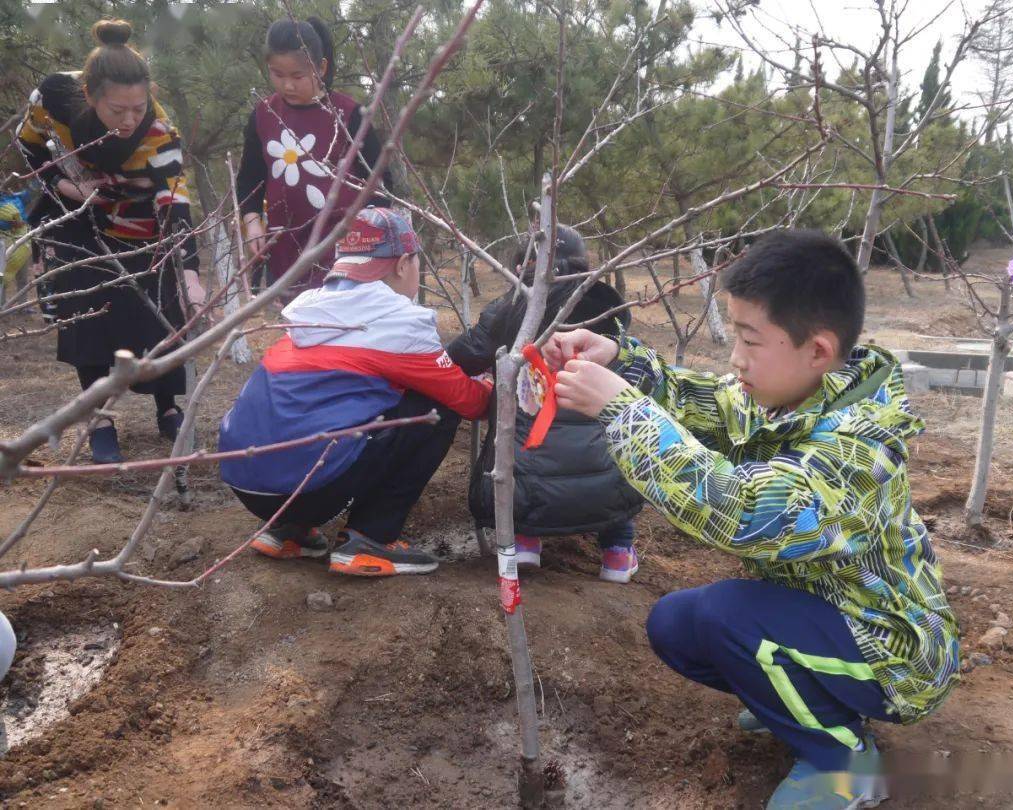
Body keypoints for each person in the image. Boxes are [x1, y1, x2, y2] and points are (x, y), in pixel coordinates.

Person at [547, 230, 959, 809]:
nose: (735, 358)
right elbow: (706, 402)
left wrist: (622, 409)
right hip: (821, 616)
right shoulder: (784, 393)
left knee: (727, 614)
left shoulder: (859, 446)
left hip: (892, 652)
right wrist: (624, 362)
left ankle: (842, 763)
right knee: (676, 624)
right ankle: (803, 705)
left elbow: (746, 514)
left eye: (749, 339)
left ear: (816, 349)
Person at [218, 207, 491, 577]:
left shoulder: (309, 311)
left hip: (245, 484)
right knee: (435, 409)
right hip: (309, 490)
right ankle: (372, 538)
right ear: (403, 263)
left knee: (316, 410)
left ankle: (289, 533)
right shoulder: (400, 323)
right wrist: (490, 383)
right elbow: (469, 402)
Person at [16, 19, 204, 464]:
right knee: (88, 317)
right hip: (76, 217)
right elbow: (28, 146)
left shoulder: (158, 131)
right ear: (90, 96)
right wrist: (65, 186)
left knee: (155, 316)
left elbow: (174, 198)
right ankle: (99, 418)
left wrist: (191, 272)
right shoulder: (54, 99)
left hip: (139, 223)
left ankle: (168, 407)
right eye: (117, 110)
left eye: (138, 108)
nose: (128, 119)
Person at [446, 225, 643, 582]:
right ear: (584, 265)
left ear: (520, 268)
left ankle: (524, 544)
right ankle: (616, 554)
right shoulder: (612, 315)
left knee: (523, 454)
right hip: (606, 495)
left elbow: (460, 358)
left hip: (526, 493)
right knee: (611, 454)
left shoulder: (510, 310)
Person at [236, 15, 392, 294]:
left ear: (320, 67)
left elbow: (381, 185)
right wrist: (252, 223)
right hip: (286, 256)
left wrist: (369, 242)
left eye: (298, 76)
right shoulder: (264, 116)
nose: (288, 86)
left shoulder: (349, 115)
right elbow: (249, 180)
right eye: (277, 74)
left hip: (347, 260)